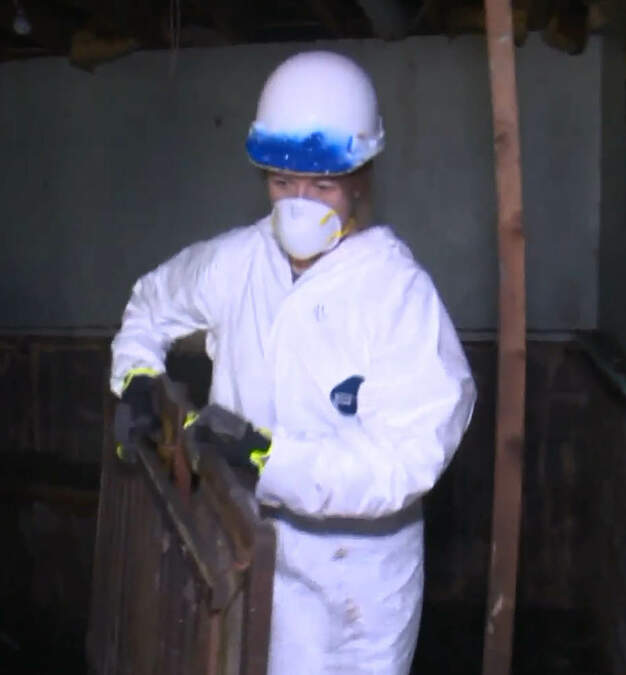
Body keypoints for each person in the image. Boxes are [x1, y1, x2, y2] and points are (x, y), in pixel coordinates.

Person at [110, 51, 476, 673]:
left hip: (355, 592)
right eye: (282, 183)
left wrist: (267, 457)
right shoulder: (236, 264)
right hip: (244, 553)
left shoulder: (396, 294)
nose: (300, 203)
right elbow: (151, 305)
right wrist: (137, 378)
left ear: (360, 178)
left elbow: (409, 458)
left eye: (322, 186)